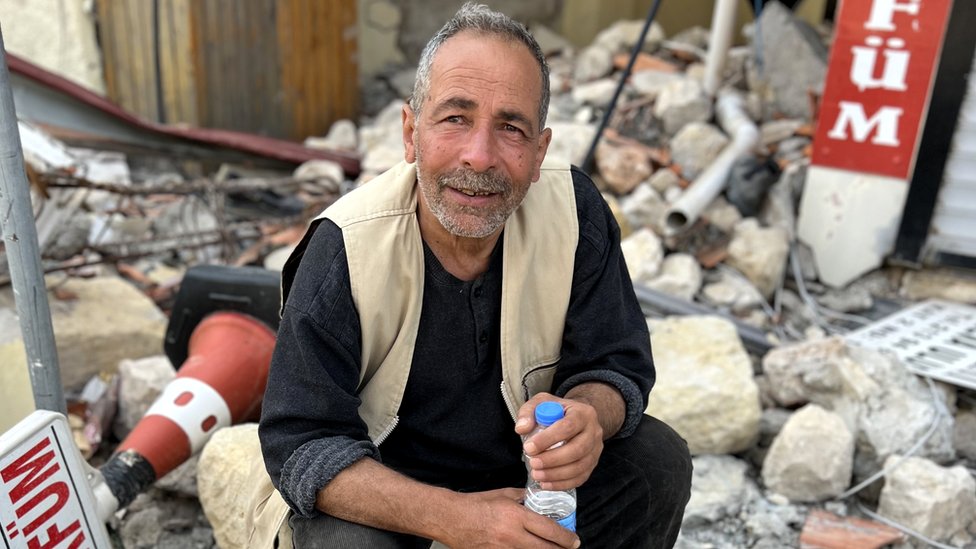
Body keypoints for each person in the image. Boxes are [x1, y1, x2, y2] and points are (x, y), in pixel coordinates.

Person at [255, 3, 692, 548]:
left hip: (521, 475)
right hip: (389, 491)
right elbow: (300, 444)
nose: (479, 157)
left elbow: (616, 362)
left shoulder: (572, 212)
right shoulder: (345, 247)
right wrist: (461, 521)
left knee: (656, 462)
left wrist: (589, 417)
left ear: (539, 153)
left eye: (511, 128)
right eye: (455, 118)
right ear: (411, 133)